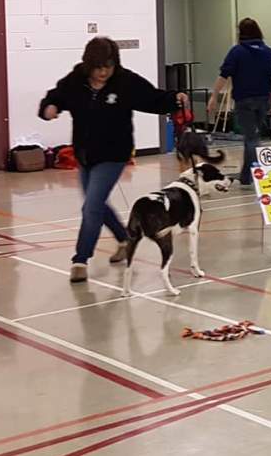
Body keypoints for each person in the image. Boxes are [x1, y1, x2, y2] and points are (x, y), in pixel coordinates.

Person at [39, 37, 189, 282]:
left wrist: (174, 99)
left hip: (114, 154)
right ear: (89, 65)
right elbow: (56, 96)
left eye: (108, 67)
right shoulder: (76, 80)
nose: (103, 73)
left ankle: (80, 260)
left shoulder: (125, 81)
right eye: (98, 68)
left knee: (91, 206)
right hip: (85, 155)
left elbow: (152, 98)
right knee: (95, 204)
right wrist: (50, 107)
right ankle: (125, 238)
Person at [207, 18, 271, 185]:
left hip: (244, 100)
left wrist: (214, 96)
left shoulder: (237, 51)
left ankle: (251, 175)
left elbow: (224, 75)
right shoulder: (268, 52)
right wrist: (268, 85)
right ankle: (247, 174)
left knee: (251, 138)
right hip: (263, 99)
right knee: (254, 136)